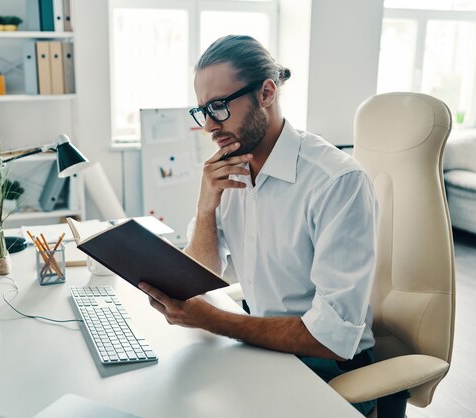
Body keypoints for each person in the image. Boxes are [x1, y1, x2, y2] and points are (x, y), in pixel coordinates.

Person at [138, 35, 379, 415]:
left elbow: (331, 337)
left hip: (326, 371)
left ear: (266, 92)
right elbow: (199, 276)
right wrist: (205, 208)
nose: (208, 126)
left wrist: (214, 320)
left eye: (218, 107)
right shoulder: (229, 171)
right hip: (262, 350)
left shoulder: (336, 181)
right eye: (201, 110)